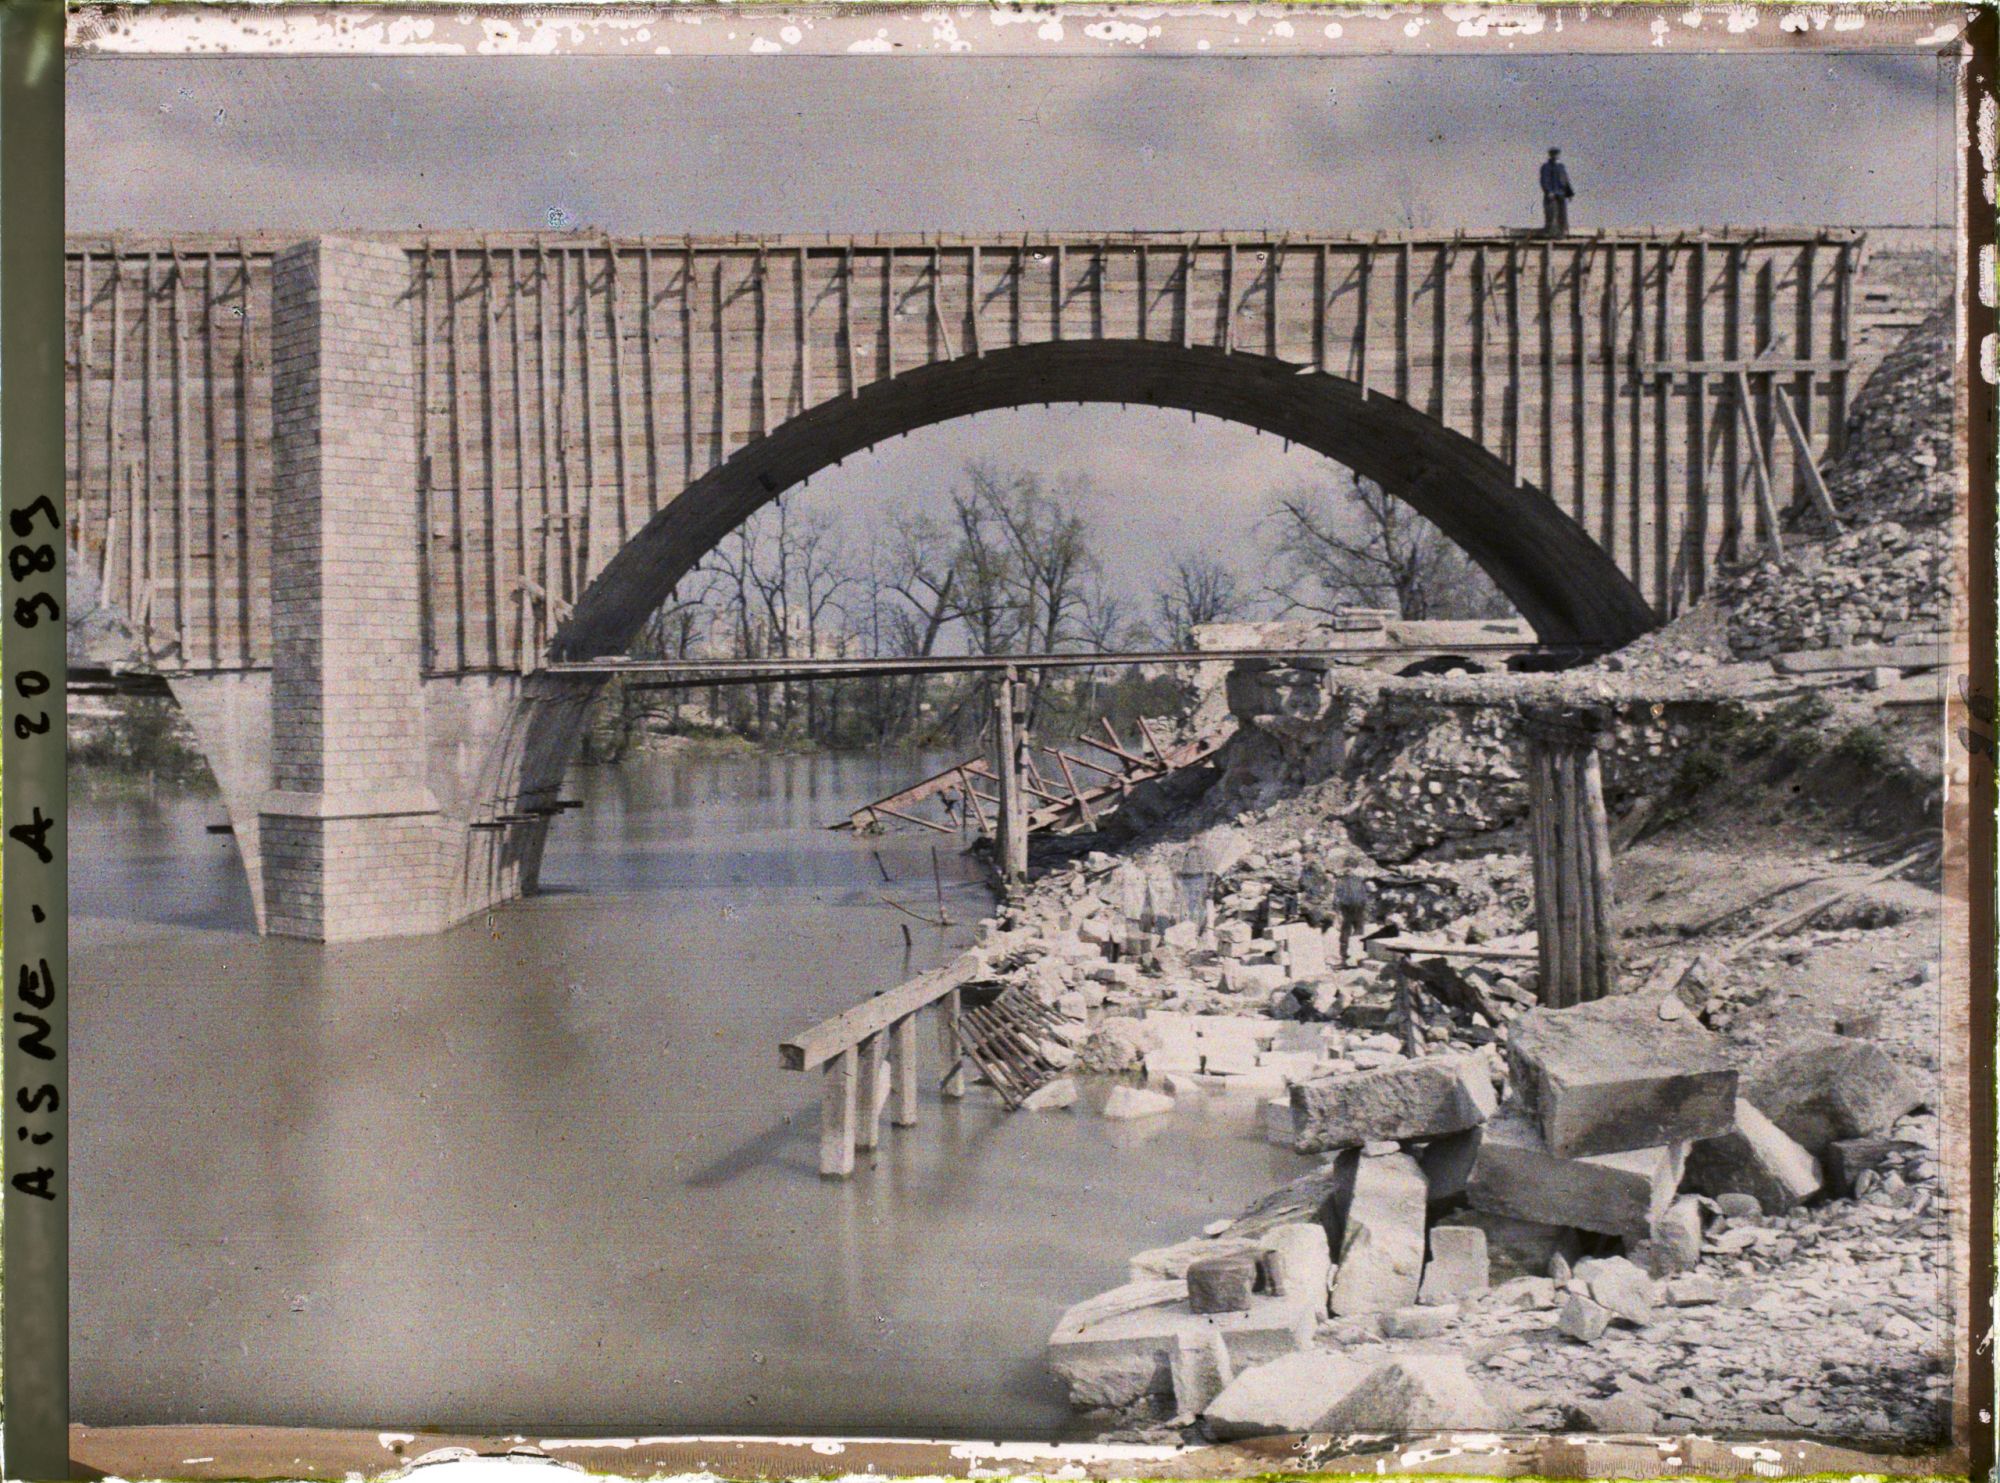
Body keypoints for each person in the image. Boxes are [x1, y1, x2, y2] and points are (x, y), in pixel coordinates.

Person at [1540, 148, 1575, 237]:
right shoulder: (1546, 166)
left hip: (1561, 194)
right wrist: (1548, 191)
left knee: (1562, 214)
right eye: (1553, 154)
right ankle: (1550, 233)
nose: (1555, 156)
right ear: (1550, 155)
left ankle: (1562, 233)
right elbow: (1544, 180)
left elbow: (1565, 180)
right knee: (1551, 214)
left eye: (1557, 154)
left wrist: (1569, 193)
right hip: (1552, 194)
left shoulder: (1561, 166)